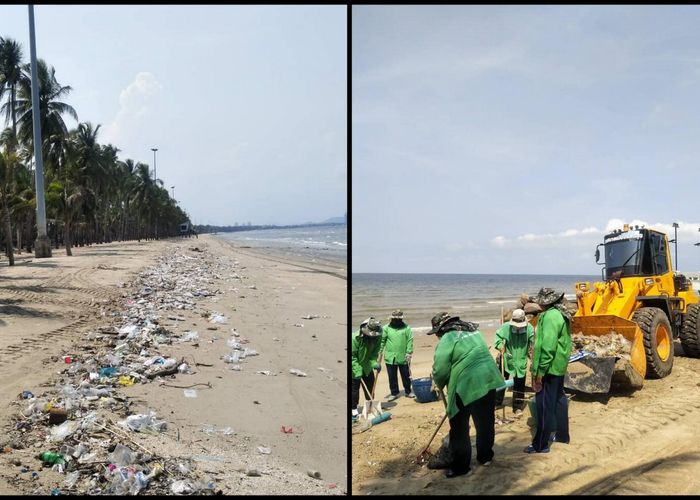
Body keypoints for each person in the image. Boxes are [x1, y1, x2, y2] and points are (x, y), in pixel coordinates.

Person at [429, 312, 505, 478]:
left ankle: (462, 468)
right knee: (485, 421)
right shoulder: (473, 330)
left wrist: (438, 382)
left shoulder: (448, 338)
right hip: (489, 378)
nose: (437, 336)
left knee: (459, 427)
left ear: (441, 329)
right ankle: (485, 457)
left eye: (436, 333)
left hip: (467, 383)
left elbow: (440, 368)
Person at [525, 288, 572, 454]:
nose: (537, 302)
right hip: (558, 365)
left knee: (544, 406)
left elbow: (548, 347)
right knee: (559, 399)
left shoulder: (551, 316)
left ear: (546, 301)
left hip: (549, 367)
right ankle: (562, 435)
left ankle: (540, 444)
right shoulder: (560, 313)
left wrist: (540, 372)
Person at [494, 308, 534, 415]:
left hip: (521, 360)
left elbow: (533, 342)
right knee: (501, 381)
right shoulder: (506, 327)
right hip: (507, 358)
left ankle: (517, 407)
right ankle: (497, 402)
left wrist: (533, 351)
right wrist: (500, 346)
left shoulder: (529, 328)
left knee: (519, 384)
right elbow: (497, 338)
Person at [351, 317, 383, 422]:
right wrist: (357, 371)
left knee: (370, 388)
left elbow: (374, 353)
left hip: (367, 367)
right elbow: (352, 357)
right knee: (354, 390)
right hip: (354, 366)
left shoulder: (378, 336)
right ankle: (353, 410)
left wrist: (374, 363)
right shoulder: (354, 338)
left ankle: (370, 407)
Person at [380, 309, 414, 401]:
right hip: (390, 357)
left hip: (403, 356)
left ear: (401, 320)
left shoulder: (407, 328)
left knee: (406, 375)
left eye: (398, 319)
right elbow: (382, 341)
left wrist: (409, 352)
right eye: (395, 319)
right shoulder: (386, 328)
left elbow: (410, 340)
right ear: (392, 319)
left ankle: (408, 391)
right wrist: (380, 351)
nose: (396, 321)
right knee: (392, 376)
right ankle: (394, 393)